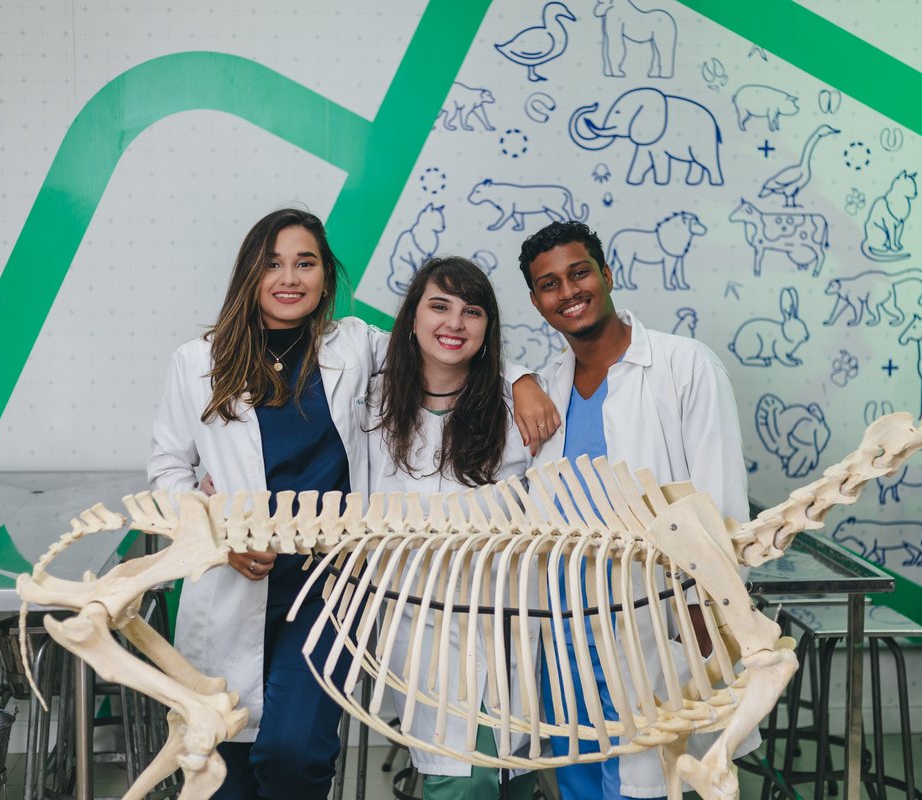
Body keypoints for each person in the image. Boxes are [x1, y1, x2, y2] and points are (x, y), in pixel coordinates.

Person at [147, 209, 555, 799]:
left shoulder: (354, 345)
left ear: (324, 276)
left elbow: (443, 346)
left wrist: (520, 379)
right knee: (220, 757)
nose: (291, 278)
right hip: (234, 577)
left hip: (327, 585)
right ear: (249, 275)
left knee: (293, 752)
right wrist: (220, 532)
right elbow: (168, 471)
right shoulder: (197, 363)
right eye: (274, 264)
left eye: (305, 263)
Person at [517, 220, 750, 800]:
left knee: (652, 775)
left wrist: (706, 609)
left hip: (655, 613)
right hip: (566, 622)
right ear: (536, 301)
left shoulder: (684, 366)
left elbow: (718, 502)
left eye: (579, 273)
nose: (568, 292)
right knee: (578, 770)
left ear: (606, 275)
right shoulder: (548, 386)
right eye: (549, 284)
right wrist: (518, 377)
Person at [367, 255, 538, 799]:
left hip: (504, 607)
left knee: (512, 770)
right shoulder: (369, 402)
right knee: (459, 772)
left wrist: (524, 378)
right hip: (416, 615)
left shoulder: (519, 405)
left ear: (488, 329)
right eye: (439, 306)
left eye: (472, 312)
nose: (454, 324)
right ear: (412, 318)